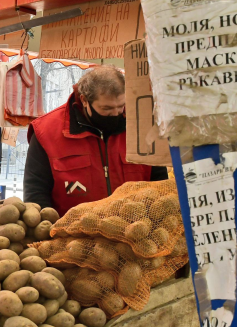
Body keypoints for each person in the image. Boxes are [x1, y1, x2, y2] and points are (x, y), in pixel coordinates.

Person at [24, 66, 168, 216]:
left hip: (136, 232)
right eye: (106, 108)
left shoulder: (142, 126)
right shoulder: (46, 132)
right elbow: (35, 193)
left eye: (121, 106)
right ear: (84, 100)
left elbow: (160, 183)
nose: (115, 114)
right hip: (70, 236)